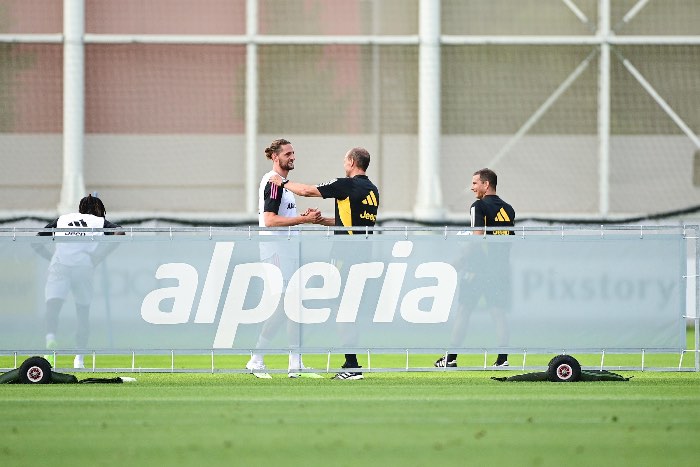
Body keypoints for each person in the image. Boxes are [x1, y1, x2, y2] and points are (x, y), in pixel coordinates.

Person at [270, 147, 379, 380]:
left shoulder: (346, 184)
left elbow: (307, 191)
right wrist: (321, 221)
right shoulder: (372, 189)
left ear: (351, 161)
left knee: (339, 310)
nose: (343, 164)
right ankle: (351, 364)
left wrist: (281, 182)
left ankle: (351, 366)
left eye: (344, 160)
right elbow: (349, 221)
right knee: (347, 310)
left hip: (345, 255)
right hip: (364, 255)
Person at [246, 138, 323, 379]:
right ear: (275, 157)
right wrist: (303, 220)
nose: (292, 157)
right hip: (276, 251)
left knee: (295, 305)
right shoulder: (274, 183)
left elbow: (281, 217)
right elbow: (269, 221)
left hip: (288, 250)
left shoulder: (283, 185)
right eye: (288, 153)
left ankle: (295, 362)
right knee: (282, 305)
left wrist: (301, 216)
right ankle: (256, 359)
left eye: (293, 153)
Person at [434, 168, 515, 369]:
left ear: (486, 185)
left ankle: (451, 358)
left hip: (478, 270)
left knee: (464, 311)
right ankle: (502, 360)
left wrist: (458, 262)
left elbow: (477, 238)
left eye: (475, 183)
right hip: (500, 269)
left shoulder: (478, 206)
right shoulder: (509, 209)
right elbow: (508, 241)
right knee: (498, 313)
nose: (472, 188)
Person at [34, 194, 124, 369]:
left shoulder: (63, 219)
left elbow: (37, 239)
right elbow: (120, 231)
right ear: (99, 209)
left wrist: (52, 257)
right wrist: (99, 256)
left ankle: (50, 344)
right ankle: (79, 359)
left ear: (81, 208)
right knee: (82, 312)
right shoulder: (98, 222)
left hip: (59, 266)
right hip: (83, 266)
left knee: (53, 307)